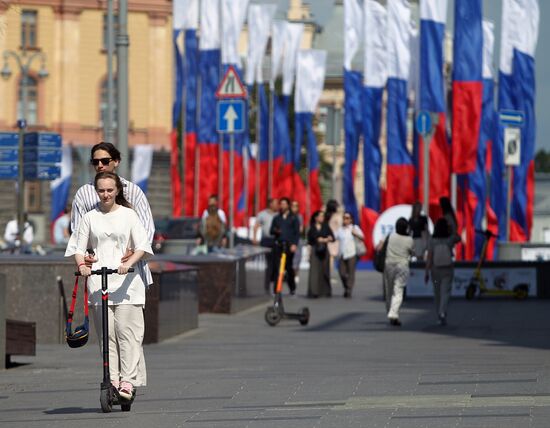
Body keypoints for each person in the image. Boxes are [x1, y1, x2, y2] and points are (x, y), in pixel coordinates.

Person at [65, 142, 154, 387]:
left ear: (116, 161)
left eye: (105, 161)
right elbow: (78, 231)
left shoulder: (133, 192)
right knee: (109, 334)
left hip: (129, 272)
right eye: (95, 162)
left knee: (128, 332)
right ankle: (115, 380)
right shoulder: (85, 194)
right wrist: (85, 256)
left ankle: (129, 380)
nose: (100, 165)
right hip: (100, 271)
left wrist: (133, 251)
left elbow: (147, 229)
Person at [424, 218, 461, 326]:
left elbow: (429, 257)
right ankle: (442, 312)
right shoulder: (449, 239)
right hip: (447, 268)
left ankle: (439, 314)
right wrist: (452, 229)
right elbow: (458, 238)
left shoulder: (432, 240)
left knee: (437, 293)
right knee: (446, 292)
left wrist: (426, 271)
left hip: (435, 269)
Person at [379, 217, 414, 326]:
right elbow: (413, 252)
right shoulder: (409, 240)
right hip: (402, 266)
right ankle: (393, 313)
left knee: (389, 290)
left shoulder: (391, 236)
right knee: (398, 290)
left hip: (389, 264)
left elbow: (382, 247)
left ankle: (391, 313)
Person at [270, 197, 300, 295]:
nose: (282, 206)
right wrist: (276, 231)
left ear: (288, 205)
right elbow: (271, 230)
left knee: (288, 267)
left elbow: (296, 233)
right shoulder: (277, 218)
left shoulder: (294, 218)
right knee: (278, 268)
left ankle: (292, 287)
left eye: (284, 204)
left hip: (289, 246)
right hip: (279, 245)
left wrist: (294, 244)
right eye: (281, 204)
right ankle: (277, 289)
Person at [335, 212, 364, 298]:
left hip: (352, 253)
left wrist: (356, 234)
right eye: (344, 218)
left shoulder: (355, 228)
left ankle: (349, 289)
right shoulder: (340, 230)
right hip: (342, 253)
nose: (345, 220)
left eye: (347, 218)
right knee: (342, 273)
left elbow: (363, 237)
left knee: (351, 273)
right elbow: (333, 237)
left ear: (351, 219)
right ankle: (346, 286)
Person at [253, 198, 279, 292]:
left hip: (276, 240)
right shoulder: (262, 214)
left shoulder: (278, 215)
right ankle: (267, 286)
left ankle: (276, 286)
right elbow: (256, 226)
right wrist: (255, 238)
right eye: (275, 203)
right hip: (266, 240)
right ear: (270, 204)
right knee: (269, 264)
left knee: (277, 264)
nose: (277, 205)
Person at [307, 210, 334, 298]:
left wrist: (327, 239)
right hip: (315, 249)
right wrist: (319, 239)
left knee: (325, 270)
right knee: (314, 271)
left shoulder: (326, 226)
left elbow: (332, 237)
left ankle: (326, 291)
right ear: (316, 218)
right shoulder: (312, 227)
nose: (322, 218)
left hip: (324, 250)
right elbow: (311, 239)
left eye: (323, 216)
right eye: (320, 216)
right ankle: (314, 291)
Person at [290, 200, 304, 283]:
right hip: (290, 240)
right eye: (293, 206)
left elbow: (300, 229)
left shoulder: (299, 217)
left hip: (297, 240)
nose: (294, 208)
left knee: (297, 258)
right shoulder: (288, 216)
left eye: (296, 206)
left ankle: (296, 274)